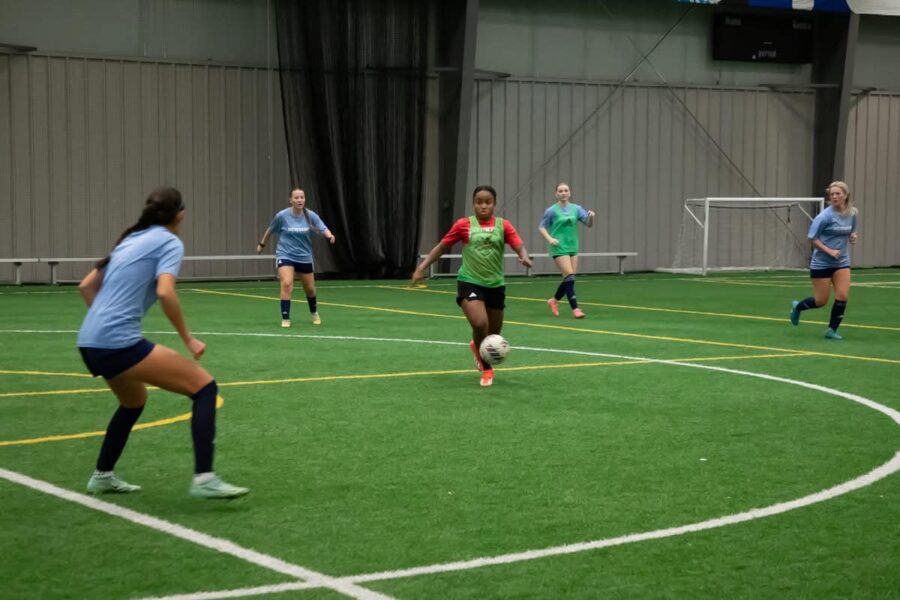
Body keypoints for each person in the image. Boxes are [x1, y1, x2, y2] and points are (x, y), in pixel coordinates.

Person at [77, 187, 248, 499]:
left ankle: (102, 475)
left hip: (89, 341)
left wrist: (103, 323)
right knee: (204, 387)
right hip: (116, 342)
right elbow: (166, 291)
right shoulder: (169, 242)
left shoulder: (131, 238)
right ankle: (204, 478)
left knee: (133, 402)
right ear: (180, 214)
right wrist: (188, 339)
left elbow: (86, 286)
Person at [410, 185, 532, 387]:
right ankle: (486, 369)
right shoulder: (463, 225)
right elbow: (442, 246)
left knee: (493, 335)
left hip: (495, 285)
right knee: (479, 323)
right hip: (469, 281)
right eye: (479, 202)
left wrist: (525, 257)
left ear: (494, 203)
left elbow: (518, 245)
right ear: (473, 204)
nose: (483, 206)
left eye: (488, 202)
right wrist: (422, 267)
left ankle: (477, 346)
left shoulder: (504, 226)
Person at [790, 180, 859, 339]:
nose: (834, 197)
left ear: (845, 195)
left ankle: (832, 330)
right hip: (821, 263)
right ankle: (798, 308)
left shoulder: (853, 213)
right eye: (832, 194)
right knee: (821, 301)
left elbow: (852, 232)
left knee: (842, 296)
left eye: (837, 194)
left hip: (842, 262)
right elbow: (812, 239)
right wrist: (829, 251)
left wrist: (853, 237)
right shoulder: (824, 217)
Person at [257, 188, 335, 327]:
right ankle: (285, 318)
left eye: (302, 197)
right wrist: (262, 244)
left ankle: (314, 312)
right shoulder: (282, 216)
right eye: (296, 198)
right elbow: (270, 230)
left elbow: (322, 228)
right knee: (287, 283)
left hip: (304, 256)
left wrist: (329, 235)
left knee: (310, 289)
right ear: (291, 200)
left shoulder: (310, 215)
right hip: (285, 254)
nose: (299, 200)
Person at [538, 182, 595, 318]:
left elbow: (588, 224)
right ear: (556, 194)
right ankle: (575, 309)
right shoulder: (551, 210)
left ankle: (554, 300)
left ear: (569, 193)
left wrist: (591, 216)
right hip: (559, 246)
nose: (563, 193)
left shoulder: (576, 209)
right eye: (560, 191)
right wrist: (550, 239)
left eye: (566, 191)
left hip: (573, 246)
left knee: (570, 278)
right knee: (569, 275)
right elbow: (542, 226)